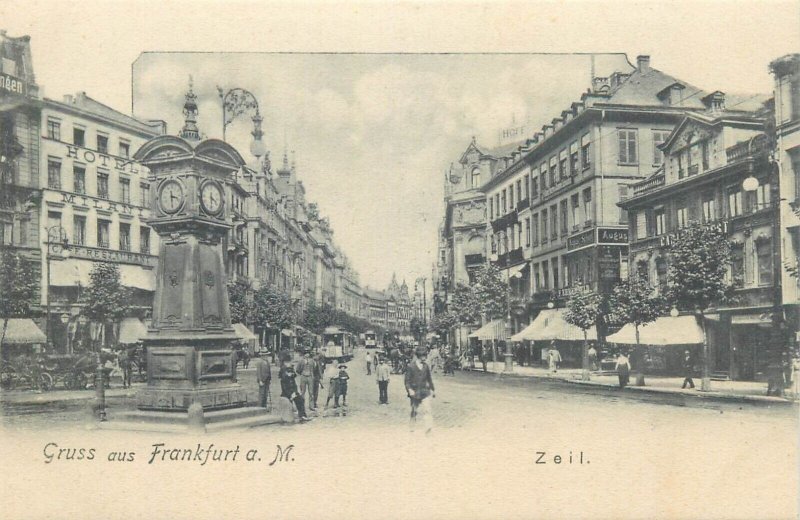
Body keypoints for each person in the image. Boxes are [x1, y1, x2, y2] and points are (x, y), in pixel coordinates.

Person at [404, 346, 436, 433]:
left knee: (427, 410)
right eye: (423, 356)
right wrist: (409, 389)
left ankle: (428, 427)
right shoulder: (411, 366)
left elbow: (429, 379)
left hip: (425, 392)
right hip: (415, 393)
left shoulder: (426, 366)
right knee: (414, 411)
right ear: (419, 356)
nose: (425, 357)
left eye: (425, 355)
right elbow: (407, 381)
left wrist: (432, 389)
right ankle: (412, 426)